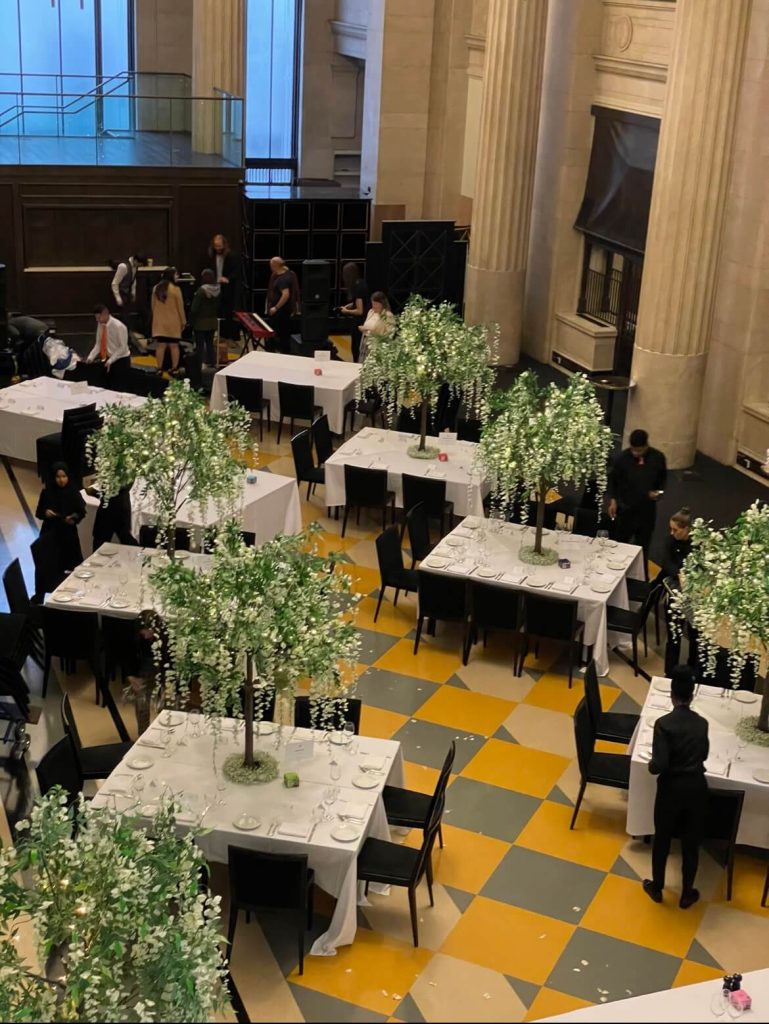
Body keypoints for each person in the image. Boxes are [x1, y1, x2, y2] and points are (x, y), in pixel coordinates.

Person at [643, 665, 709, 909]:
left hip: (671, 788)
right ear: (692, 695)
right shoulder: (701, 724)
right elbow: (704, 753)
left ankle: (657, 887)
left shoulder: (664, 724)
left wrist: (651, 763)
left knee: (662, 837)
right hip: (695, 787)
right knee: (691, 842)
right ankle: (687, 892)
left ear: (672, 695)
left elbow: (658, 765)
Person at [606, 428, 667, 570]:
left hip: (646, 511)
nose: (636, 453)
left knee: (643, 548)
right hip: (625, 509)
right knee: (620, 545)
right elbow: (613, 481)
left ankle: (640, 580)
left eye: (639, 451)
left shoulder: (658, 458)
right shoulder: (622, 459)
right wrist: (613, 500)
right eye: (634, 450)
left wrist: (657, 493)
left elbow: (662, 482)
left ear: (646, 446)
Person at [658, 508, 696, 676]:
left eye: (676, 530)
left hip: (694, 595)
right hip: (674, 592)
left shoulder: (697, 544)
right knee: (674, 636)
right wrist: (679, 574)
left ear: (687, 528)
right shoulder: (669, 541)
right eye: (670, 529)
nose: (672, 533)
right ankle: (670, 671)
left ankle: (693, 668)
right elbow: (666, 562)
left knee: (695, 635)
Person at [35, 462, 86, 572]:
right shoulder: (47, 492)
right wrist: (46, 513)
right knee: (50, 567)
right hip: (50, 533)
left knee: (72, 566)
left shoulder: (73, 492)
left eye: (64, 476)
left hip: (68, 534)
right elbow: (39, 513)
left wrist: (73, 518)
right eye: (58, 477)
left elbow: (81, 511)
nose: (61, 480)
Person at [87, 305, 131, 389]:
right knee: (106, 386)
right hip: (108, 359)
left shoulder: (119, 326)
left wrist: (111, 360)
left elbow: (123, 347)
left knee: (119, 387)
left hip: (121, 360)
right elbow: (98, 343)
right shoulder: (100, 323)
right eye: (96, 318)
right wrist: (91, 357)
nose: (97, 320)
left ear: (105, 314)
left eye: (99, 318)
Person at [151, 267, 186, 375]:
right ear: (171, 276)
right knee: (174, 346)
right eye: (176, 275)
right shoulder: (176, 289)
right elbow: (180, 307)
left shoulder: (156, 288)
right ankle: (174, 368)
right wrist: (183, 321)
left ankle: (159, 368)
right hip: (173, 322)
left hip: (159, 322)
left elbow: (153, 306)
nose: (177, 277)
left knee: (161, 346)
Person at [207, 234, 239, 342]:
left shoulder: (231, 256)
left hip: (228, 288)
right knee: (218, 312)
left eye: (220, 246)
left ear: (224, 245)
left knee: (228, 312)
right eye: (216, 246)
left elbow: (236, 272)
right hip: (215, 287)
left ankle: (230, 337)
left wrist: (227, 279)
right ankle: (221, 336)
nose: (218, 248)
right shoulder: (212, 256)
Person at [265, 255, 300, 354]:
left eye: (271, 265)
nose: (270, 268)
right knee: (282, 333)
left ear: (275, 265)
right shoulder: (286, 273)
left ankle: (280, 352)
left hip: (281, 312)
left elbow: (286, 295)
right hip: (281, 311)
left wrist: (276, 308)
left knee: (281, 334)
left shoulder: (283, 279)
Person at [339, 262, 371, 363]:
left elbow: (360, 310)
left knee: (356, 347)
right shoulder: (360, 282)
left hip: (359, 322)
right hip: (362, 320)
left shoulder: (358, 288)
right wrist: (350, 305)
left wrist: (346, 311)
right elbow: (359, 303)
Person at [189, 269, 220, 366]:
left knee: (200, 345)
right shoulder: (218, 289)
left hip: (200, 323)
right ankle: (212, 362)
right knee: (210, 344)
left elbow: (194, 308)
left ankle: (199, 364)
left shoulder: (201, 290)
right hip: (212, 322)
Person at [358, 290, 395, 363]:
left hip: (377, 347)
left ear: (382, 304)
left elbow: (390, 335)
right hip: (365, 343)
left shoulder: (388, 316)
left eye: (375, 304)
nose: (373, 306)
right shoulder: (371, 312)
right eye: (372, 303)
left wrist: (371, 331)